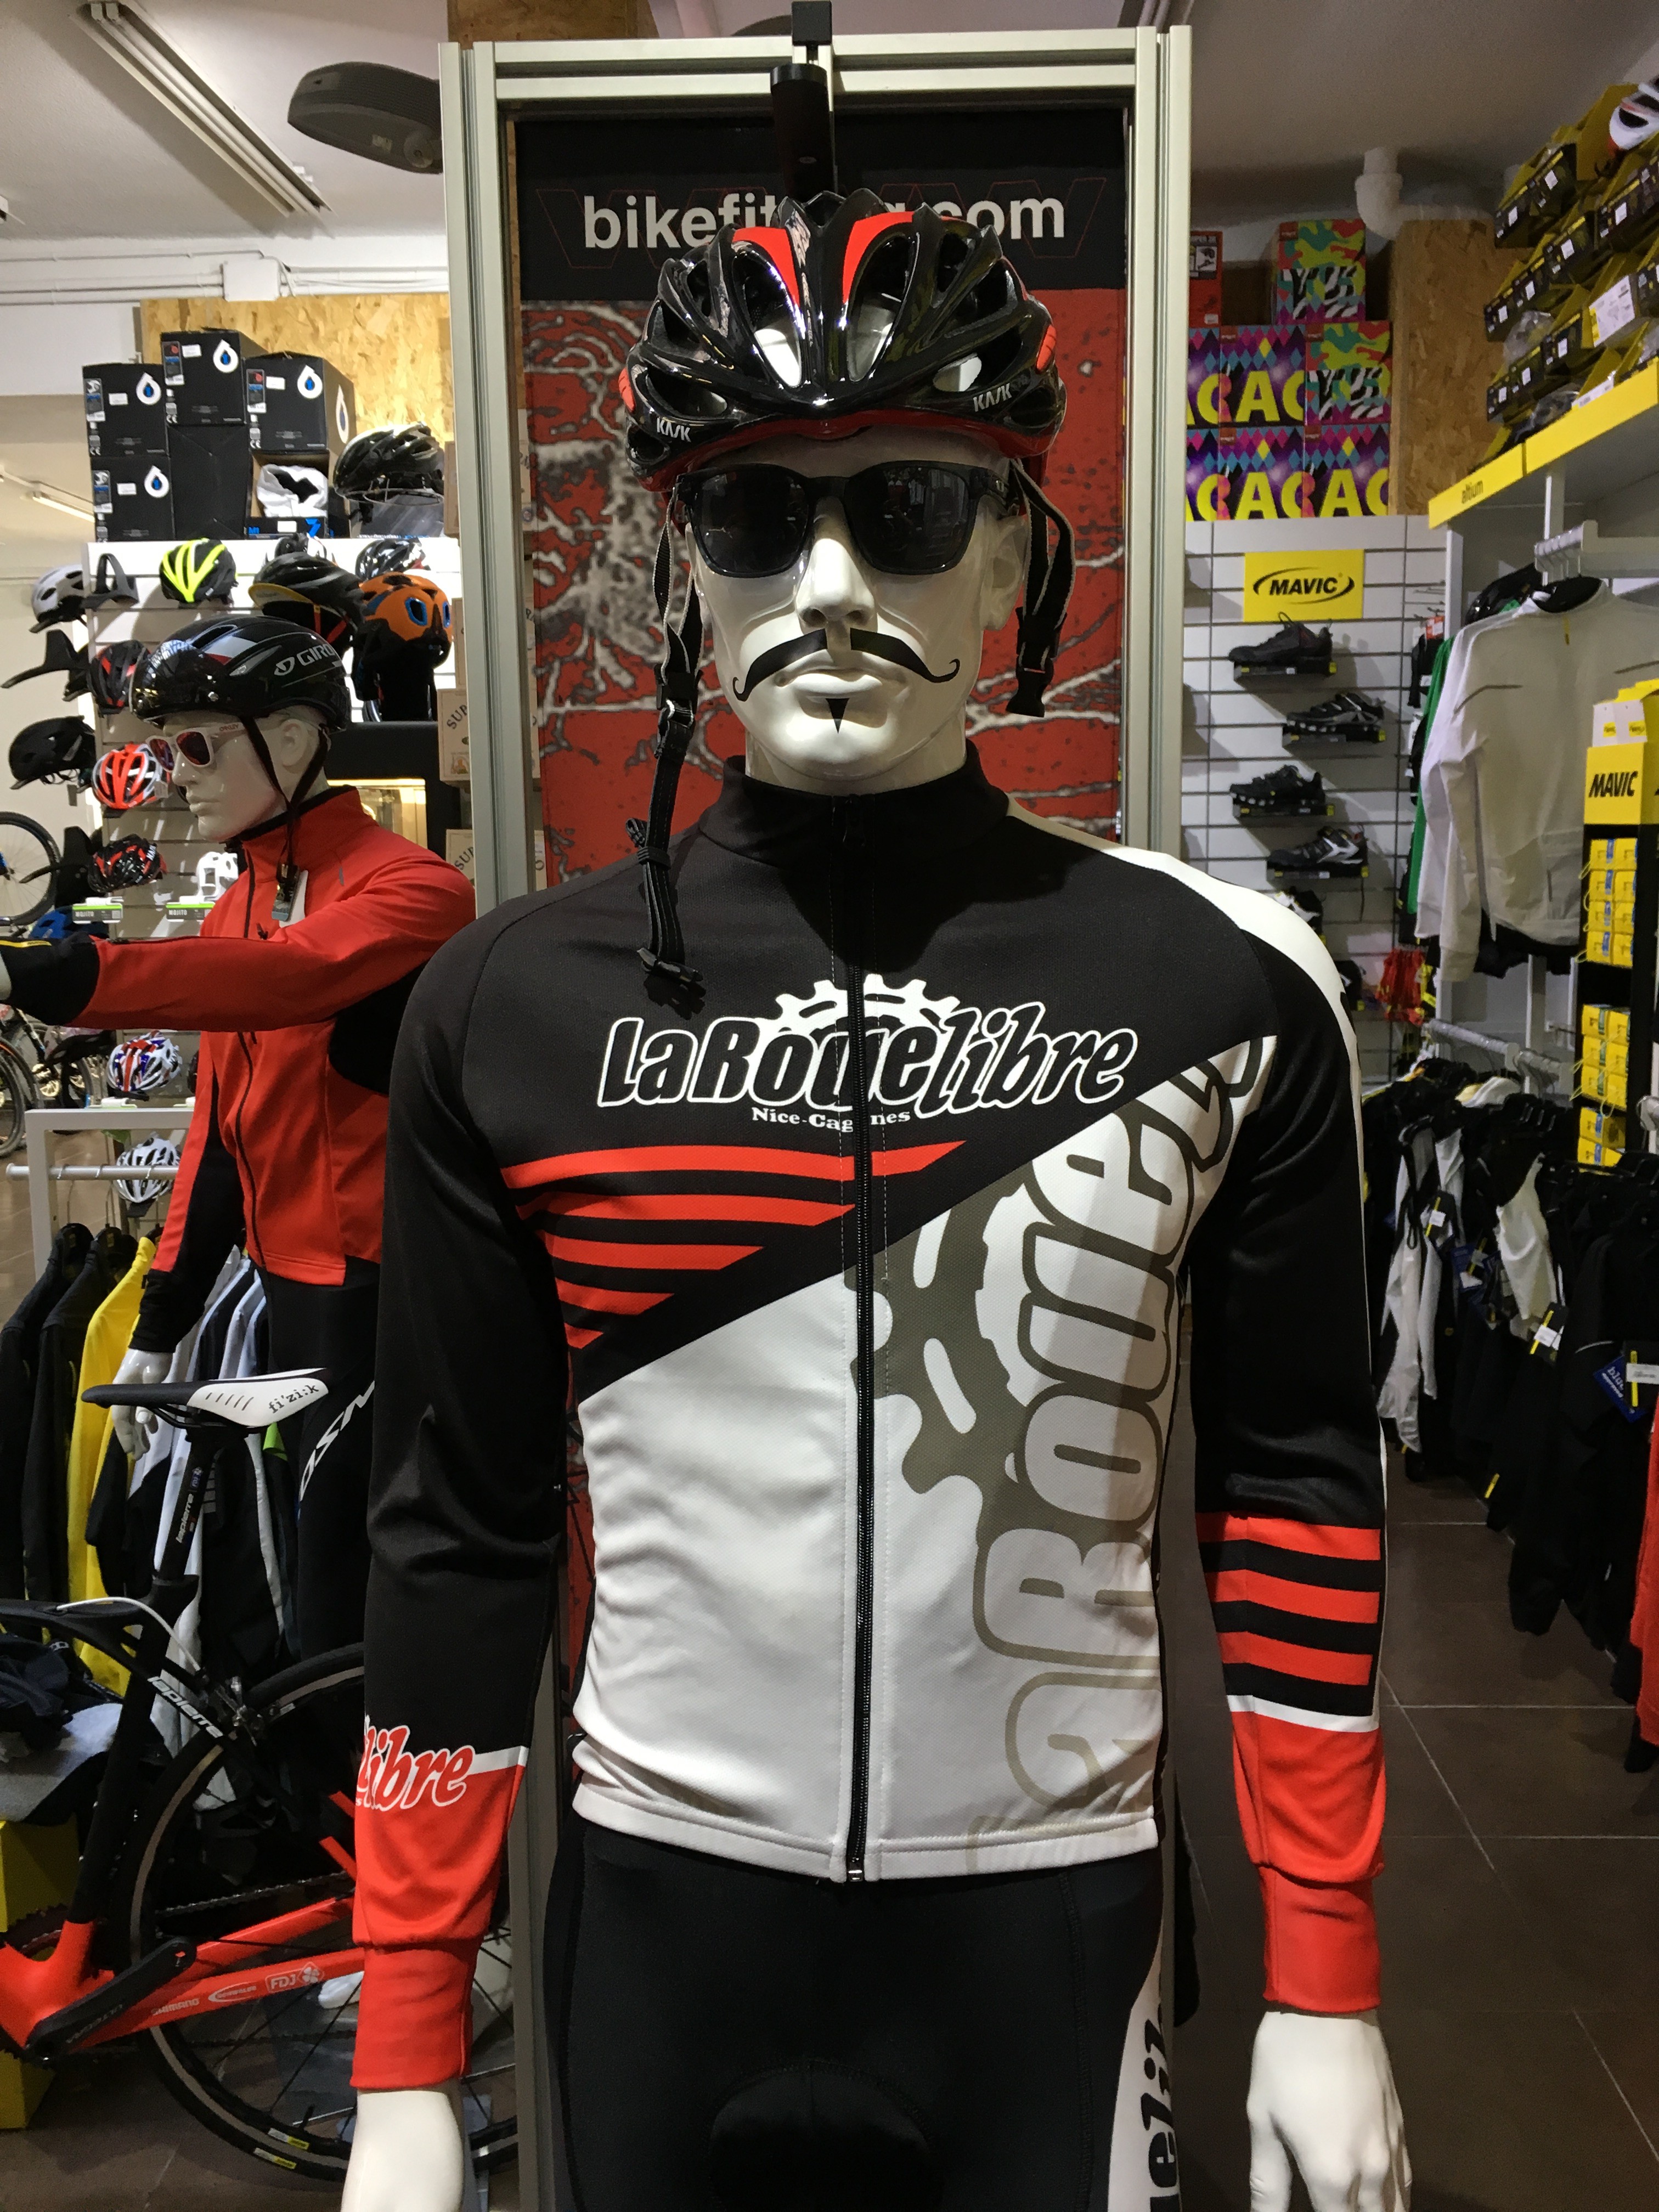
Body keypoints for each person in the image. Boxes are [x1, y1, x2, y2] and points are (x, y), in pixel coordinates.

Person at [346, 193, 1410, 2211]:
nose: (829, 585)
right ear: (684, 559)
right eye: (759, 516)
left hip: (1050, 1917)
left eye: (910, 510)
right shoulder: (505, 1008)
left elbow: (1294, 1486)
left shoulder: (1223, 986)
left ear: (1016, 550)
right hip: (661, 1911)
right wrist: (406, 2037)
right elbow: (455, 1529)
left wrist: (1326, 1977)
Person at [0, 618, 476, 1652]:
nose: (177, 775)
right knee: (278, 1563)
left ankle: (367, 1754)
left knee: (352, 1581)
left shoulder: (416, 892)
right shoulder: (236, 909)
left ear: (293, 741)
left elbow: (290, 979)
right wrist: (162, 1318)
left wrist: (47, 971)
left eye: (199, 745)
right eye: (167, 748)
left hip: (375, 1295)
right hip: (269, 1293)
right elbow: (216, 1136)